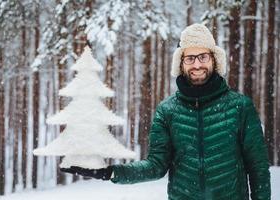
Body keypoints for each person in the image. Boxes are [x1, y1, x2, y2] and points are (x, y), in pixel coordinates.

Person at [61, 23, 271, 200]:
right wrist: (110, 172)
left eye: (203, 57)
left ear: (214, 60)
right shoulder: (167, 111)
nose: (197, 64)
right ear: (181, 63)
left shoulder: (240, 107)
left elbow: (258, 168)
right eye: (189, 58)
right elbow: (155, 166)